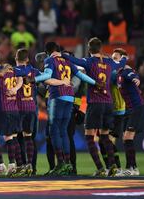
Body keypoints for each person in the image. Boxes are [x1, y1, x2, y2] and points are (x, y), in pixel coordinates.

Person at [62, 37, 127, 176]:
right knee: (105, 136)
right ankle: (113, 166)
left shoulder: (89, 61)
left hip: (95, 104)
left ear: (89, 49)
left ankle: (100, 168)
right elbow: (121, 62)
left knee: (89, 137)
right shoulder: (110, 62)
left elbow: (74, 61)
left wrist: (61, 55)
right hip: (109, 104)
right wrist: (124, 58)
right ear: (101, 48)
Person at [34, 42, 97, 176]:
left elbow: (47, 76)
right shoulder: (67, 60)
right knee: (63, 131)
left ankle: (61, 164)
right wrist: (95, 82)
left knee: (53, 131)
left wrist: (33, 79)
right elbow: (80, 75)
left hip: (57, 96)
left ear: (47, 51)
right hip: (70, 97)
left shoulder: (50, 59)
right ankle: (67, 163)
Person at [117, 63, 144, 176]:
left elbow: (133, 75)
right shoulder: (118, 74)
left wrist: (136, 79)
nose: (115, 60)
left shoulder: (126, 71)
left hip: (137, 108)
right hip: (129, 110)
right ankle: (131, 168)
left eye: (117, 58)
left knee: (127, 137)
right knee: (125, 139)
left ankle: (132, 167)